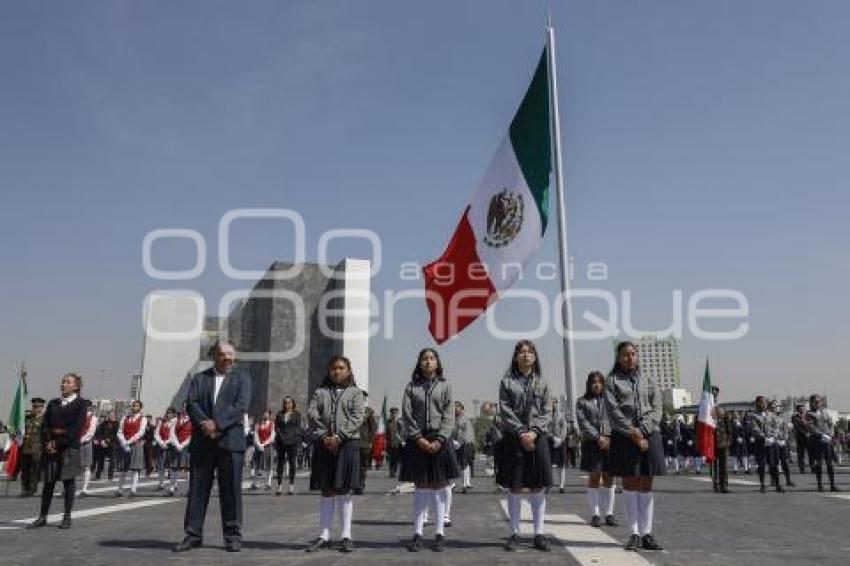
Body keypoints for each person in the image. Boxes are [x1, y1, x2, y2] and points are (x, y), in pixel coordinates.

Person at [173, 341, 252, 553]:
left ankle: (233, 536)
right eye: (222, 354)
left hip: (230, 442)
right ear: (214, 356)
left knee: (232, 491)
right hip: (203, 442)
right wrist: (205, 424)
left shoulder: (242, 378)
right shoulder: (200, 378)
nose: (227, 358)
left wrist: (217, 424)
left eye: (231, 354)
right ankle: (193, 534)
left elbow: (241, 405)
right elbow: (191, 404)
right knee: (198, 490)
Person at [605, 341, 664, 552]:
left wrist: (644, 430)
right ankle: (634, 533)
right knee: (629, 484)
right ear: (618, 358)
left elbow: (657, 408)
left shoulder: (648, 379)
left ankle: (647, 533)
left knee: (646, 483)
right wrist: (632, 431)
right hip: (624, 437)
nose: (629, 358)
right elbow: (613, 412)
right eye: (624, 355)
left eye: (632, 354)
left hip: (649, 436)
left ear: (637, 356)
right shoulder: (612, 381)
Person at [496, 340, 553, 552]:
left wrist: (534, 432)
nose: (526, 355)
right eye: (521, 352)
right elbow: (505, 410)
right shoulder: (507, 382)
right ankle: (515, 533)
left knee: (538, 485)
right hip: (514, 439)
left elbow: (547, 411)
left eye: (530, 352)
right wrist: (521, 432)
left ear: (535, 357)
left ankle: (539, 534)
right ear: (515, 357)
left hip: (538, 438)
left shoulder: (543, 383)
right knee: (515, 486)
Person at [305, 355, 365, 553]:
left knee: (345, 489)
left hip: (347, 445)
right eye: (333, 368)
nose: (337, 371)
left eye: (341, 368)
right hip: (324, 444)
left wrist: (339, 437)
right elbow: (312, 414)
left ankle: (346, 535)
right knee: (327, 490)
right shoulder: (320, 392)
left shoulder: (356, 393)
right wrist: (324, 436)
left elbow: (357, 417)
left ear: (348, 371)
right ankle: (324, 535)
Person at [400, 348, 458, 552]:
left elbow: (449, 416)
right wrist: (419, 439)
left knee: (440, 486)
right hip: (418, 440)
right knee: (421, 486)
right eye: (424, 359)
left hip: (439, 439)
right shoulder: (410, 387)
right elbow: (406, 415)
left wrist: (440, 439)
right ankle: (417, 533)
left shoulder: (446, 387)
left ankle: (439, 533)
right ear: (419, 363)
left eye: (432, 358)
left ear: (437, 363)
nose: (428, 362)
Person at [27, 372, 87, 529]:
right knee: (48, 483)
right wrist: (48, 442)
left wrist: (58, 443)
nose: (63, 384)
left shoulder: (81, 404)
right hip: (51, 448)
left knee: (68, 482)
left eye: (67, 382)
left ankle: (67, 516)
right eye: (62, 381)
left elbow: (76, 428)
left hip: (68, 448)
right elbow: (45, 425)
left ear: (75, 386)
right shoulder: (53, 403)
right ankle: (42, 516)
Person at [577, 371, 616, 527]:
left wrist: (608, 437)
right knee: (594, 477)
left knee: (609, 478)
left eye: (599, 381)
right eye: (593, 382)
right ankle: (595, 514)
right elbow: (583, 422)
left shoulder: (611, 401)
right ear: (589, 384)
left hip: (610, 441)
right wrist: (597, 437)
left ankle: (609, 513)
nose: (597, 384)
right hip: (592, 442)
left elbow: (616, 419)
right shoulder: (582, 402)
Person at [805, 394, 839, 492]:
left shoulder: (825, 412)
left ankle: (832, 485)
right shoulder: (809, 414)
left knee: (830, 463)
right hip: (816, 441)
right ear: (811, 403)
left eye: (819, 401)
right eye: (816, 401)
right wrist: (821, 435)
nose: (818, 403)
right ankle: (820, 485)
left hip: (827, 440)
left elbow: (831, 423)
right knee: (819, 463)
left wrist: (830, 434)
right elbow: (811, 427)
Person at [750, 396, 782, 493]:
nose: (763, 404)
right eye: (761, 402)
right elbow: (755, 429)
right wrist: (764, 438)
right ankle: (762, 484)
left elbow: (776, 426)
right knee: (762, 465)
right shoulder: (753, 416)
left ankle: (777, 485)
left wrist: (772, 437)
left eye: (764, 402)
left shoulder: (772, 415)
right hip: (761, 443)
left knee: (774, 464)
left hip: (772, 443)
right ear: (757, 404)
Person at [115, 400, 147, 497]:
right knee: (123, 467)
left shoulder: (143, 419)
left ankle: (133, 489)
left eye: (136, 406)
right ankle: (120, 489)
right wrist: (123, 441)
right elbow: (120, 431)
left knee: (135, 468)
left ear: (140, 408)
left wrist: (129, 441)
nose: (134, 407)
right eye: (133, 406)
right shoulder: (125, 418)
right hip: (125, 444)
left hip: (136, 444)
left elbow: (141, 432)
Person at [274, 396, 302, 496]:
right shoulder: (279, 414)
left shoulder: (297, 414)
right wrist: (280, 435)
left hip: (292, 442)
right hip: (281, 441)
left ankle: (291, 485)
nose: (287, 405)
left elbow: (298, 428)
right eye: (285, 402)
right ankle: (279, 485)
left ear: (292, 403)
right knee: (280, 464)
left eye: (289, 402)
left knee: (292, 464)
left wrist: (294, 437)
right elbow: (276, 427)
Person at [19, 398, 46, 497]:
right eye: (34, 406)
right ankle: (24, 489)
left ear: (42, 407)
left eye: (37, 407)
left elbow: (45, 435)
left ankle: (31, 489)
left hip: (37, 449)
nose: (35, 408)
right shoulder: (27, 418)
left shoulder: (44, 419)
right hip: (25, 448)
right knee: (24, 470)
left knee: (34, 471)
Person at [711, 387, 732, 494]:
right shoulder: (706, 408)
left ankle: (724, 485)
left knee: (723, 466)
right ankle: (716, 484)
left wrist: (728, 440)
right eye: (712, 393)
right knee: (714, 465)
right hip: (711, 441)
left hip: (722, 441)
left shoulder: (722, 407)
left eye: (715, 393)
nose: (714, 395)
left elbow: (728, 427)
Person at [452, 401, 475, 494]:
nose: (455, 409)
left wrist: (457, 442)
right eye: (454, 407)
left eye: (457, 407)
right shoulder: (462, 418)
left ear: (462, 408)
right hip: (466, 443)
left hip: (464, 443)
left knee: (462, 463)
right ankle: (466, 483)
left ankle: (463, 484)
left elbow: (459, 430)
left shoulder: (460, 418)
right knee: (464, 464)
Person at [770, 400, 794, 488]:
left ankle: (788, 480)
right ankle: (774, 480)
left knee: (785, 462)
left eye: (776, 406)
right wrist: (775, 439)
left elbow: (785, 429)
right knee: (774, 463)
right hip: (773, 442)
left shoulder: (782, 417)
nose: (775, 408)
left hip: (782, 442)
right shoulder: (768, 417)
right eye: (773, 406)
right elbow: (769, 430)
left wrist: (784, 439)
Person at [250, 410, 275, 491]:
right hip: (259, 447)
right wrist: (259, 445)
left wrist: (265, 444)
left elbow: (272, 436)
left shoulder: (272, 424)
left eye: (267, 414)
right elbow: (256, 436)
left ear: (269, 415)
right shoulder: (258, 424)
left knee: (269, 465)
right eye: (264, 413)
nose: (265, 415)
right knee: (257, 464)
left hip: (268, 447)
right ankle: (254, 483)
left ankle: (269, 483)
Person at [78, 401, 98, 497]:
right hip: (77, 443)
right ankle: (68, 489)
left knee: (86, 466)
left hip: (86, 443)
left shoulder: (93, 417)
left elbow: (91, 432)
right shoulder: (78, 416)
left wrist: (81, 440)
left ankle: (84, 489)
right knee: (75, 466)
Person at [154, 409, 176, 492]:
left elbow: (173, 434)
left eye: (170, 413)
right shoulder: (161, 422)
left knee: (171, 465)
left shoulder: (174, 423)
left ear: (173, 414)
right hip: (161, 446)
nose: (168, 415)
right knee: (161, 465)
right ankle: (161, 483)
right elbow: (156, 434)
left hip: (170, 446)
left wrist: (167, 442)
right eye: (167, 413)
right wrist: (161, 443)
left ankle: (174, 483)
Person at [549, 399, 568, 493]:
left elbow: (564, 428)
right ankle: (550, 483)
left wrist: (560, 439)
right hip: (550, 441)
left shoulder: (561, 415)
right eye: (552, 403)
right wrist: (552, 438)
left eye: (555, 403)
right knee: (550, 464)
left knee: (562, 465)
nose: (554, 405)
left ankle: (561, 486)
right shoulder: (547, 414)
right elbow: (546, 428)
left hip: (561, 441)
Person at [356, 406, 376, 494]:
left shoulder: (369, 413)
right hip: (355, 443)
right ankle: (357, 485)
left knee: (362, 466)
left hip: (364, 444)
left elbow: (373, 428)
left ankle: (360, 485)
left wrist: (370, 442)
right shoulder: (357, 410)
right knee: (357, 466)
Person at [386, 407, 404, 479]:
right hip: (391, 443)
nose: (394, 414)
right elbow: (386, 432)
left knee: (400, 459)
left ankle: (401, 473)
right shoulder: (388, 422)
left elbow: (403, 432)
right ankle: (392, 472)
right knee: (392, 459)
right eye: (392, 413)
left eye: (395, 413)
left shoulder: (400, 422)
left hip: (400, 444)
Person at [791, 404, 808, 474]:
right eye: (800, 409)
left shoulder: (808, 416)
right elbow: (797, 423)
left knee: (811, 452)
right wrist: (804, 422)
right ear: (797, 410)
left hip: (808, 436)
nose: (802, 410)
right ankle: (802, 468)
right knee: (801, 453)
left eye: (803, 409)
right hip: (800, 436)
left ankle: (812, 466)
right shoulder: (794, 417)